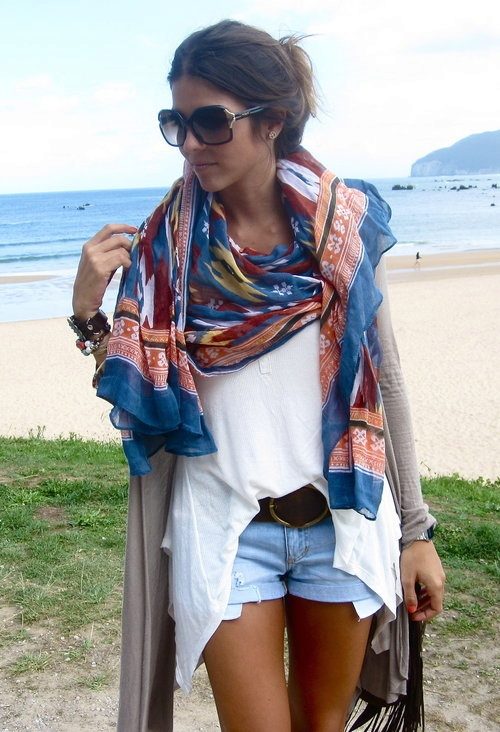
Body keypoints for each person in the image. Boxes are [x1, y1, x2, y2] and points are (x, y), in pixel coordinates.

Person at [71, 19, 445, 732]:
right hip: (226, 531)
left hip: (343, 524)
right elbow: (143, 401)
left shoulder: (344, 231)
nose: (191, 143)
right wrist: (89, 315)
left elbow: (386, 384)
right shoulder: (164, 250)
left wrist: (415, 533)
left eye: (210, 122)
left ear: (272, 121)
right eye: (176, 123)